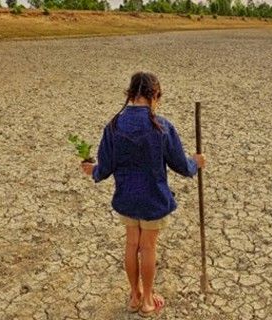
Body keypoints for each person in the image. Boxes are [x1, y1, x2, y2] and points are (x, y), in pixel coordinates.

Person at [81, 71, 206, 317]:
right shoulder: (162, 126)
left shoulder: (113, 126)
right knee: (147, 247)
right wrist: (195, 162)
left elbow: (105, 169)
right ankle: (147, 299)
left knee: (131, 244)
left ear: (129, 94)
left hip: (126, 197)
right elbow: (180, 165)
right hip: (153, 198)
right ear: (155, 95)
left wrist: (92, 170)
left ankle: (134, 295)